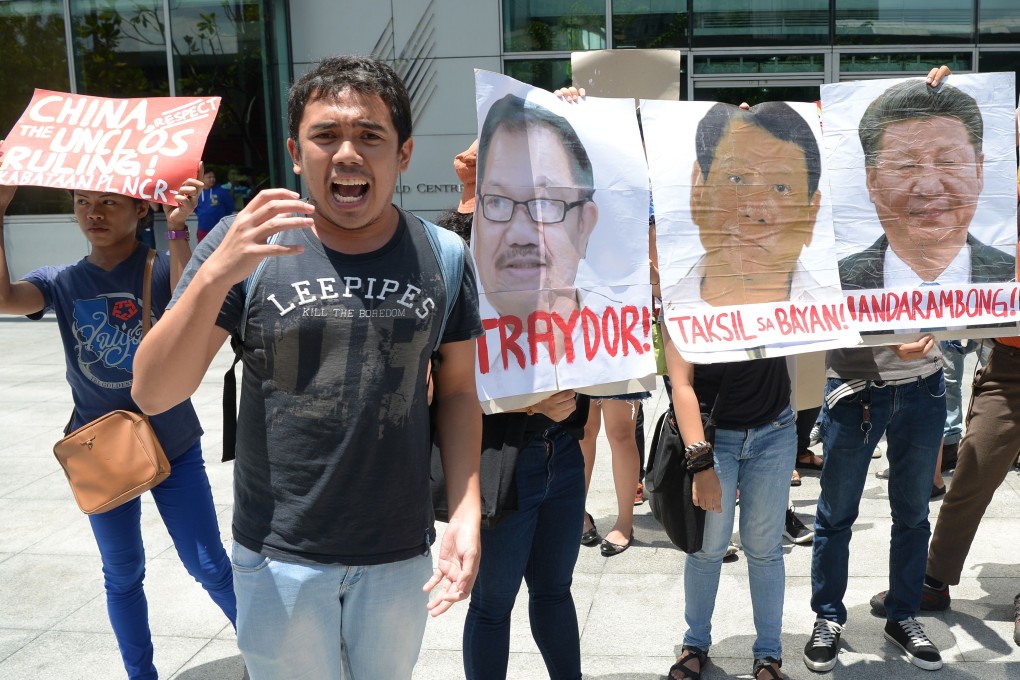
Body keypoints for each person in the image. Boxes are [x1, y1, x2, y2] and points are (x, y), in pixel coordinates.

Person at [131, 55, 484, 680]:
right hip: (279, 554)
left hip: (399, 553)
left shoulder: (445, 255)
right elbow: (155, 392)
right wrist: (214, 272)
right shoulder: (248, 248)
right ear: (297, 153)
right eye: (326, 136)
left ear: (402, 155)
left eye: (370, 136)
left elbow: (457, 393)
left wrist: (464, 511)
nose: (347, 153)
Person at [0, 174, 237, 680]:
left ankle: (271, 654)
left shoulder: (153, 268)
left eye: (109, 202)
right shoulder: (59, 281)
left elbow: (189, 299)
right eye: (83, 203)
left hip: (171, 440)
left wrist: (178, 230)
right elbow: (4, 299)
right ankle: (140, 675)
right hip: (101, 449)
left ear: (139, 210)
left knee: (208, 565)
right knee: (122, 573)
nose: (95, 213)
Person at [661, 319, 797, 680]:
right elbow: (681, 383)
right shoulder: (683, 292)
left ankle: (769, 654)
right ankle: (695, 643)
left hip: (776, 430)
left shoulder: (769, 277)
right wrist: (701, 463)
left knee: (766, 548)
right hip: (713, 438)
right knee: (707, 548)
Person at [839, 79, 1015, 289]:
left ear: (979, 171)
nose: (929, 188)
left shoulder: (1013, 275)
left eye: (949, 162)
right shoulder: (832, 283)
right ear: (872, 180)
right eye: (907, 165)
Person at [682, 101, 832, 307]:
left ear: (810, 214)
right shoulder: (660, 300)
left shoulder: (853, 310)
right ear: (698, 192)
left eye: (781, 188)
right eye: (736, 179)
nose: (755, 210)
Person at [473, 93, 599, 322]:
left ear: (584, 224)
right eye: (497, 201)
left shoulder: (624, 344)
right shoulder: (446, 333)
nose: (520, 236)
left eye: (545, 203)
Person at [194, 168, 235, 242]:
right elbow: (194, 208)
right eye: (209, 177)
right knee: (203, 251)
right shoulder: (197, 193)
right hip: (203, 229)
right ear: (201, 178)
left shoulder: (222, 191)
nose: (212, 179)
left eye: (213, 177)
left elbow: (230, 208)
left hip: (220, 229)